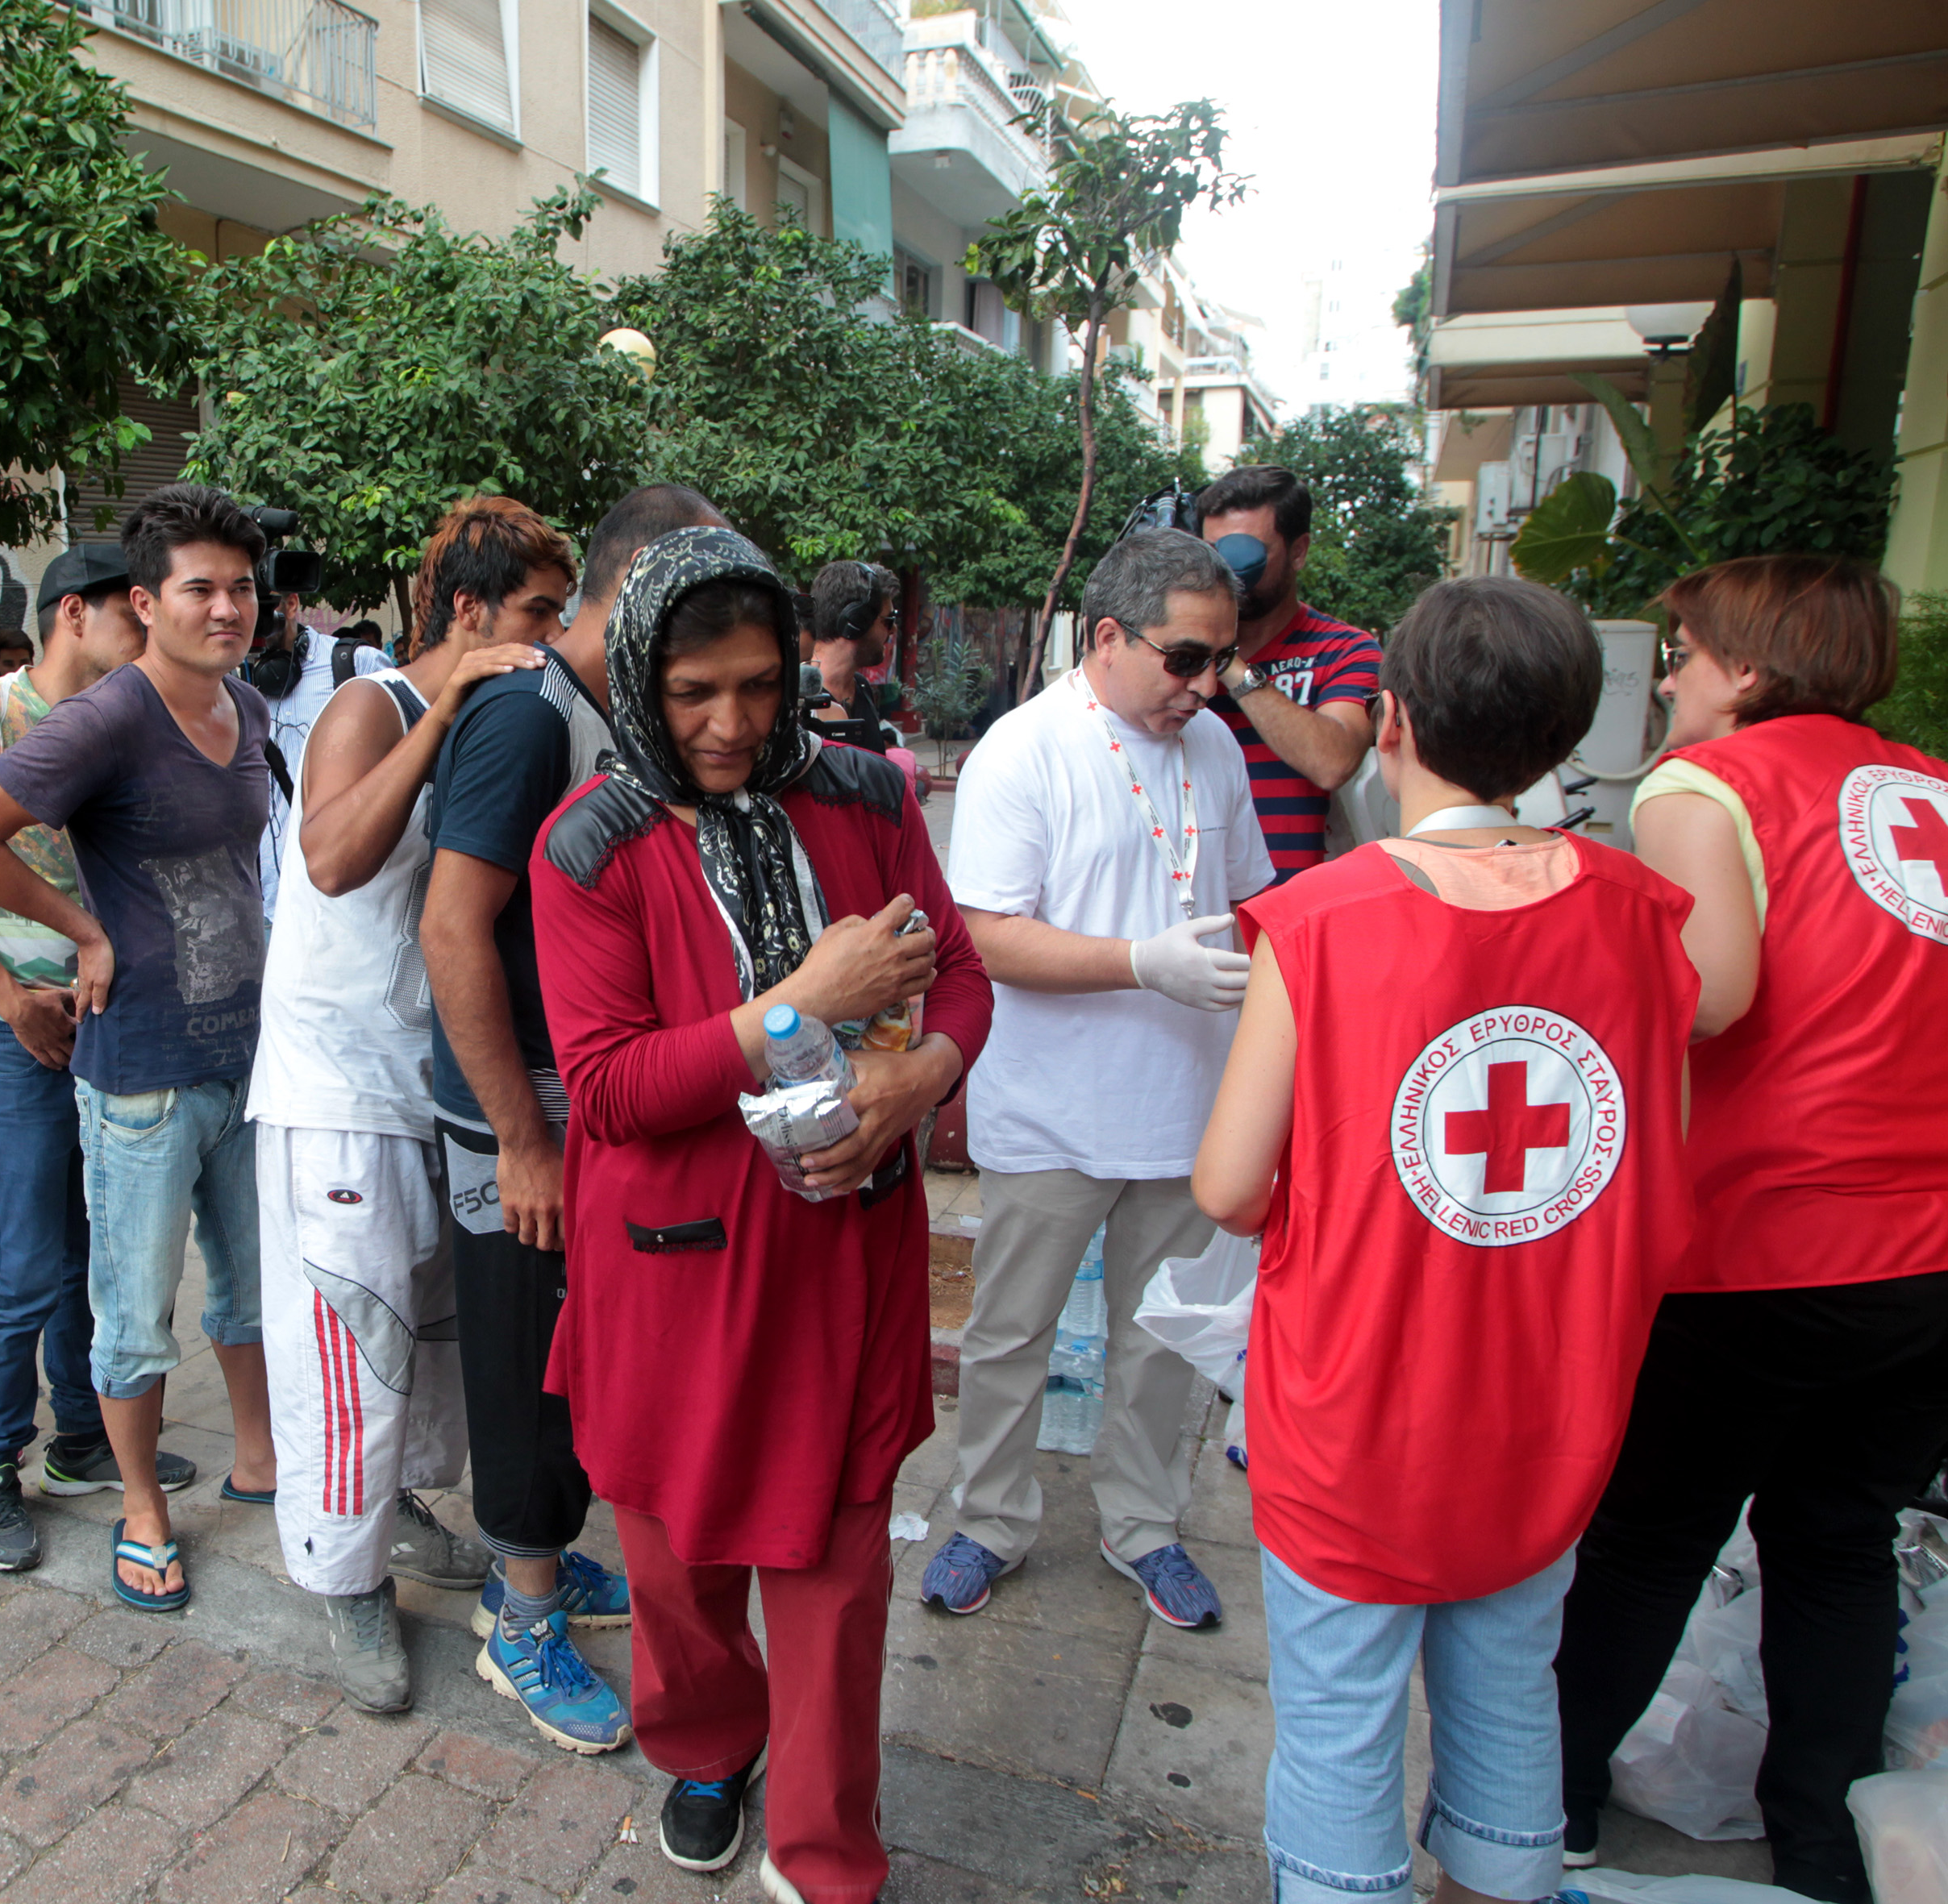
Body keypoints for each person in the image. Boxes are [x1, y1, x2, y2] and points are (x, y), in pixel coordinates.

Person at [1193, 576, 1697, 1904]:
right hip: (1548, 1405)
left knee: (1336, 1720)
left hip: (1358, 1410)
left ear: (1394, 720)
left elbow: (1227, 1185)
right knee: (1510, 1691)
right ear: (1566, 732)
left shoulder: (1321, 921)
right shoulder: (1642, 914)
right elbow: (1647, 1168)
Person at [535, 529, 992, 1902]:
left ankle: (825, 1841)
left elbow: (957, 971)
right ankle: (705, 1744)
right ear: (638, 683)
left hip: (842, 1249)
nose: (729, 723)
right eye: (691, 693)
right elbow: (607, 1086)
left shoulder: (863, 794)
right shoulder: (590, 844)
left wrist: (920, 1074)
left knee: (837, 1567)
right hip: (669, 1267)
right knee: (673, 1549)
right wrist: (801, 1003)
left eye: (755, 682)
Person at [1555, 555, 1948, 1904]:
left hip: (1767, 1236)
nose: (1668, 678)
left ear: (1748, 667)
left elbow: (1710, 993)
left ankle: (1550, 1802)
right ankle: (1824, 1843)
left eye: (1685, 653)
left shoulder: (1703, 785)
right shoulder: (1927, 785)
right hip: (1927, 1250)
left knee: (1651, 1534)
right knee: (1839, 1538)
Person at [0, 484, 280, 1614]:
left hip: (245, 1054)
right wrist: (81, 930)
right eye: (199, 588)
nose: (225, 608)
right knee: (134, 1311)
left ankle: (260, 1458)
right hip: (140, 1072)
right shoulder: (109, 716)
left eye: (241, 587)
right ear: (145, 601)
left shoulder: (247, 709)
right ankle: (139, 1508)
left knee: (250, 1284)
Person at [422, 481, 727, 1755]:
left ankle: (534, 1559)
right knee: (518, 1361)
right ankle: (520, 1617)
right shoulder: (523, 712)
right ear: (643, 580)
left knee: (569, 1352)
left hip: (577, 1096)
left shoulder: (595, 708)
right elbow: (450, 927)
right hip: (521, 1109)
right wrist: (519, 1135)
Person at [922, 528, 1273, 1632]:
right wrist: (1139, 963)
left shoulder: (1214, 748)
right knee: (1009, 1333)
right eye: (1185, 658)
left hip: (1187, 1107)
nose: (1205, 684)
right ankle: (989, 1519)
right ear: (1109, 636)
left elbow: (1249, 899)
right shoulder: (1023, 750)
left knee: (1160, 1338)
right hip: (1051, 1112)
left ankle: (1142, 1524)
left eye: (1221, 658)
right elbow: (984, 935)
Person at [249, 496, 564, 1710]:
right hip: (336, 1087)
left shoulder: (498, 715)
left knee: (423, 1336)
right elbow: (331, 858)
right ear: (470, 610)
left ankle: (393, 1515)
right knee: (347, 1334)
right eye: (536, 611)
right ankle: (344, 1577)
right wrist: (440, 706)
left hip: (422, 1079)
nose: (551, 635)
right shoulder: (368, 704)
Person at [0, 544, 198, 1574]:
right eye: (132, 610)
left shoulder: (136, 715)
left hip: (113, 1023)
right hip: (16, 1026)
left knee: (98, 1251)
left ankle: (81, 1437)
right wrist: (2, 996)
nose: (151, 627)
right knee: (24, 1262)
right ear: (75, 612)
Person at [1191, 466, 1380, 883]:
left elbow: (1332, 762)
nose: (1226, 572)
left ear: (1298, 551)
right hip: (1195, 901)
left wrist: (1229, 663)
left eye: (1246, 553)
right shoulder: (1180, 655)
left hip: (1295, 903)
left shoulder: (1346, 650)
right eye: (1212, 553)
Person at [252, 588, 396, 921]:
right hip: (275, 908)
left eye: (262, 607)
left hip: (353, 902)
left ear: (291, 604)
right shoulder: (234, 684)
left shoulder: (355, 664)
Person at [799, 560, 898, 751]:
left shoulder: (862, 688)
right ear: (855, 621)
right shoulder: (797, 701)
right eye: (888, 620)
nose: (894, 629)